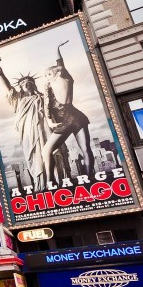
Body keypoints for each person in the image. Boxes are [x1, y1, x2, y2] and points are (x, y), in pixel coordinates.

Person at [0, 50, 48, 192]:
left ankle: (53, 180)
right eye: (23, 84)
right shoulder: (18, 99)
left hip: (45, 129)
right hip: (27, 130)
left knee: (48, 152)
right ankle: (40, 183)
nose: (26, 84)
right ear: (20, 87)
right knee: (34, 156)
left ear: (33, 85)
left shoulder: (42, 97)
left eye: (29, 83)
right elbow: (8, 86)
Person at [41, 40, 95, 181]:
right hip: (77, 117)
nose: (46, 77)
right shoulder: (67, 79)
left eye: (49, 74)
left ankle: (49, 182)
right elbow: (61, 64)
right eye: (46, 75)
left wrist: (50, 122)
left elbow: (46, 107)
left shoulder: (54, 83)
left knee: (46, 150)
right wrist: (57, 49)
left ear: (57, 73)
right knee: (85, 149)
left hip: (65, 120)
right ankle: (89, 178)